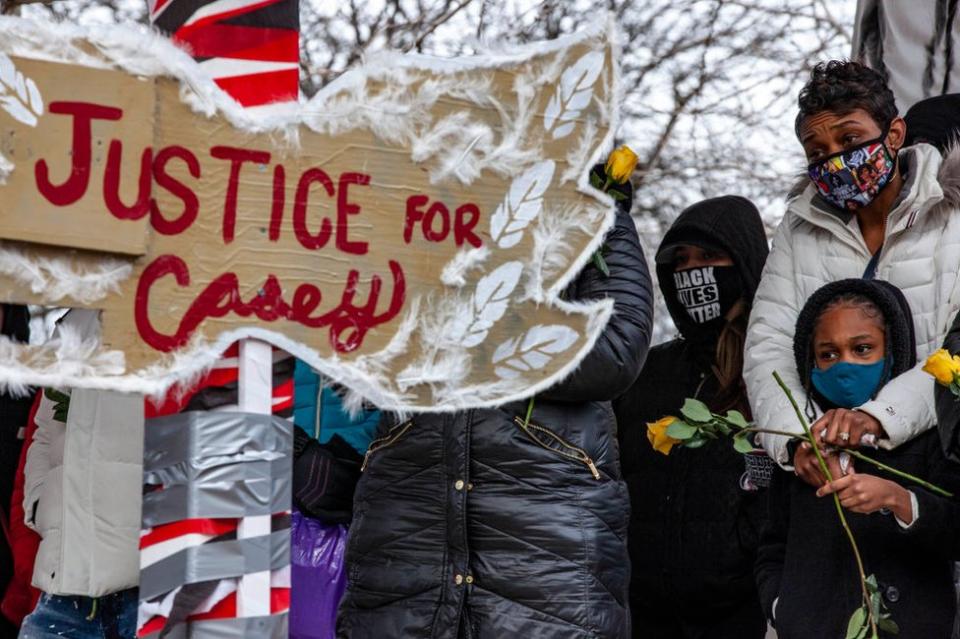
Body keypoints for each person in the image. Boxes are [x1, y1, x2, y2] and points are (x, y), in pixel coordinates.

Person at [336, 165, 654, 638]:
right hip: (409, 523)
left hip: (546, 548)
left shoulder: (590, 204)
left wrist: (473, 334)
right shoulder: (399, 199)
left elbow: (614, 349)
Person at [744, 60, 960, 479]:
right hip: (830, 469)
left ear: (894, 135)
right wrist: (799, 439)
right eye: (818, 151)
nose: (836, 160)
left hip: (936, 465)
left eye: (850, 139)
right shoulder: (800, 227)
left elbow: (953, 349)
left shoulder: (951, 215)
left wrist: (878, 419)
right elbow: (768, 346)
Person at [756, 279, 960, 638]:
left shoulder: (928, 439)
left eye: (863, 349)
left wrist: (899, 501)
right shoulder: (800, 449)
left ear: (892, 350)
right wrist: (781, 605)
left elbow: (955, 529)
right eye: (828, 354)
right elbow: (773, 547)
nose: (844, 365)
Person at [613, 196, 770, 638]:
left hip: (740, 618)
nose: (692, 271)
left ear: (742, 260)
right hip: (640, 616)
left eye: (707, 256)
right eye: (679, 261)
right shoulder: (645, 372)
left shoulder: (772, 373)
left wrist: (739, 562)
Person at [18, 310, 142, 639]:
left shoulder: (179, 313)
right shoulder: (75, 324)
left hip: (147, 590)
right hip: (62, 589)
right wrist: (39, 504)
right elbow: (44, 432)